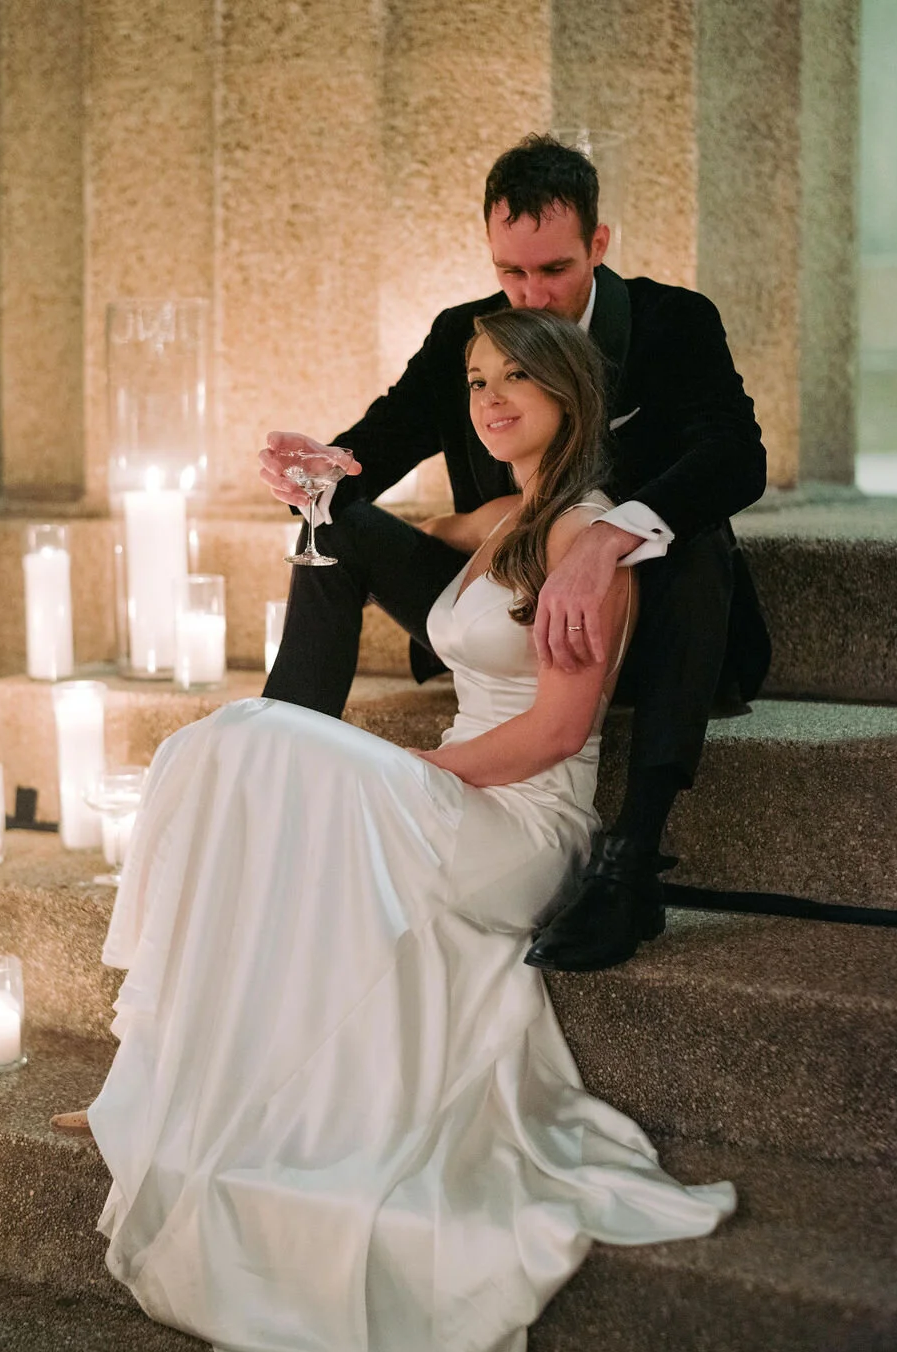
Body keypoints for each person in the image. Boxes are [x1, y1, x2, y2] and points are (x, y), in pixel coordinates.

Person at [87, 309, 735, 1352]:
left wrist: (411, 772)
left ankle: (161, 1047)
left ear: (569, 393)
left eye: (515, 374)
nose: (488, 397)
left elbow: (561, 729)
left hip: (523, 816)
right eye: (476, 380)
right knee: (228, 754)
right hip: (454, 793)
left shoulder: (585, 537)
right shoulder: (498, 520)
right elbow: (373, 530)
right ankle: (163, 1062)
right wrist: (321, 487)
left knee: (250, 740)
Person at [259, 134, 771, 974]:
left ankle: (631, 858)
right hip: (508, 617)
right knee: (329, 520)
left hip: (640, 631)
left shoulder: (675, 321)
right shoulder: (467, 336)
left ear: (599, 244)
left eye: (555, 270)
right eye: (512, 273)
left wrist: (606, 538)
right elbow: (375, 448)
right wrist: (315, 468)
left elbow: (735, 457)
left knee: (696, 537)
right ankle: (283, 750)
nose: (532, 293)